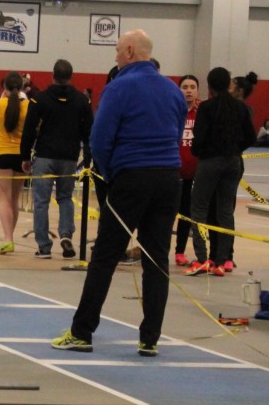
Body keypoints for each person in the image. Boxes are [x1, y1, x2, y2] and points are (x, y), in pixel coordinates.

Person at [52, 28, 185, 357]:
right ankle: (150, 338)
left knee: (105, 256)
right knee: (156, 258)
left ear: (128, 51)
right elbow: (176, 133)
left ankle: (82, 332)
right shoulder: (173, 90)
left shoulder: (119, 87)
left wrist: (111, 175)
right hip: (169, 178)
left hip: (131, 177)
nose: (114, 55)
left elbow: (99, 139)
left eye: (116, 49)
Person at [20, 58, 94, 260]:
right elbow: (89, 132)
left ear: (53, 76)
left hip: (45, 155)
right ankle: (66, 234)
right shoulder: (82, 101)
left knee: (41, 201)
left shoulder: (40, 99)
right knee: (65, 197)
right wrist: (88, 159)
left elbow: (29, 130)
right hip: (69, 157)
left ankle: (44, 246)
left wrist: (25, 156)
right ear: (71, 76)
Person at [187, 67, 256, 277]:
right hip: (232, 162)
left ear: (209, 86)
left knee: (199, 209)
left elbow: (199, 137)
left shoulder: (206, 107)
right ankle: (222, 261)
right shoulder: (240, 107)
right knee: (225, 211)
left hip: (210, 162)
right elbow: (251, 137)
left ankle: (202, 259)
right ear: (228, 85)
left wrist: (199, 152)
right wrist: (235, 149)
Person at [0, 72, 29, 254]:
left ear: (4, 87)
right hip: (20, 155)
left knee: (4, 199)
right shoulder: (27, 105)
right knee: (14, 199)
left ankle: (8, 239)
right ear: (22, 87)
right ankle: (9, 236)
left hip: (1, 154)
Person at [174, 74, 202, 268]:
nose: (189, 91)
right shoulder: (173, 109)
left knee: (186, 214)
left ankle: (180, 252)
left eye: (192, 87)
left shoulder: (202, 112)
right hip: (173, 171)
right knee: (166, 213)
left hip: (194, 174)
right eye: (185, 87)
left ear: (198, 91)